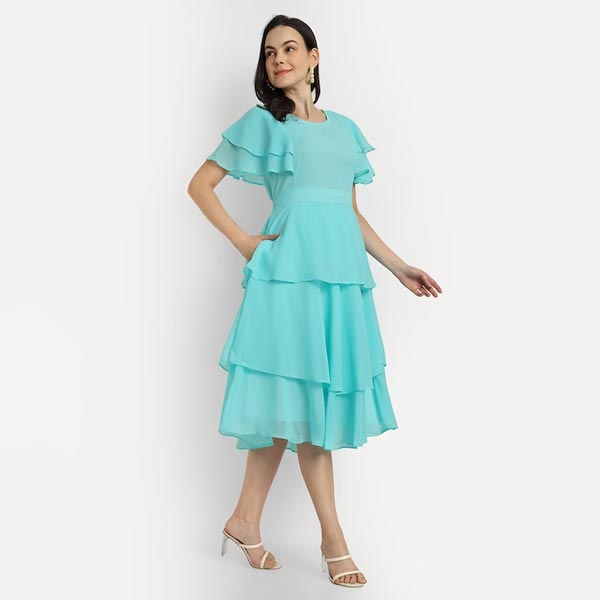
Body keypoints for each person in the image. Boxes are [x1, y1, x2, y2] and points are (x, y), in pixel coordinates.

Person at [187, 15, 442, 588]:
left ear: (313, 57)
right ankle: (334, 541)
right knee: (306, 408)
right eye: (269, 52)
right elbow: (200, 185)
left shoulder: (345, 130)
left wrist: (398, 266)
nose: (278, 59)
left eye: (289, 49)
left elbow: (348, 213)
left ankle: (244, 521)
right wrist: (244, 241)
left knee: (295, 406)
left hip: (337, 281)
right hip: (286, 279)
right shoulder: (262, 124)